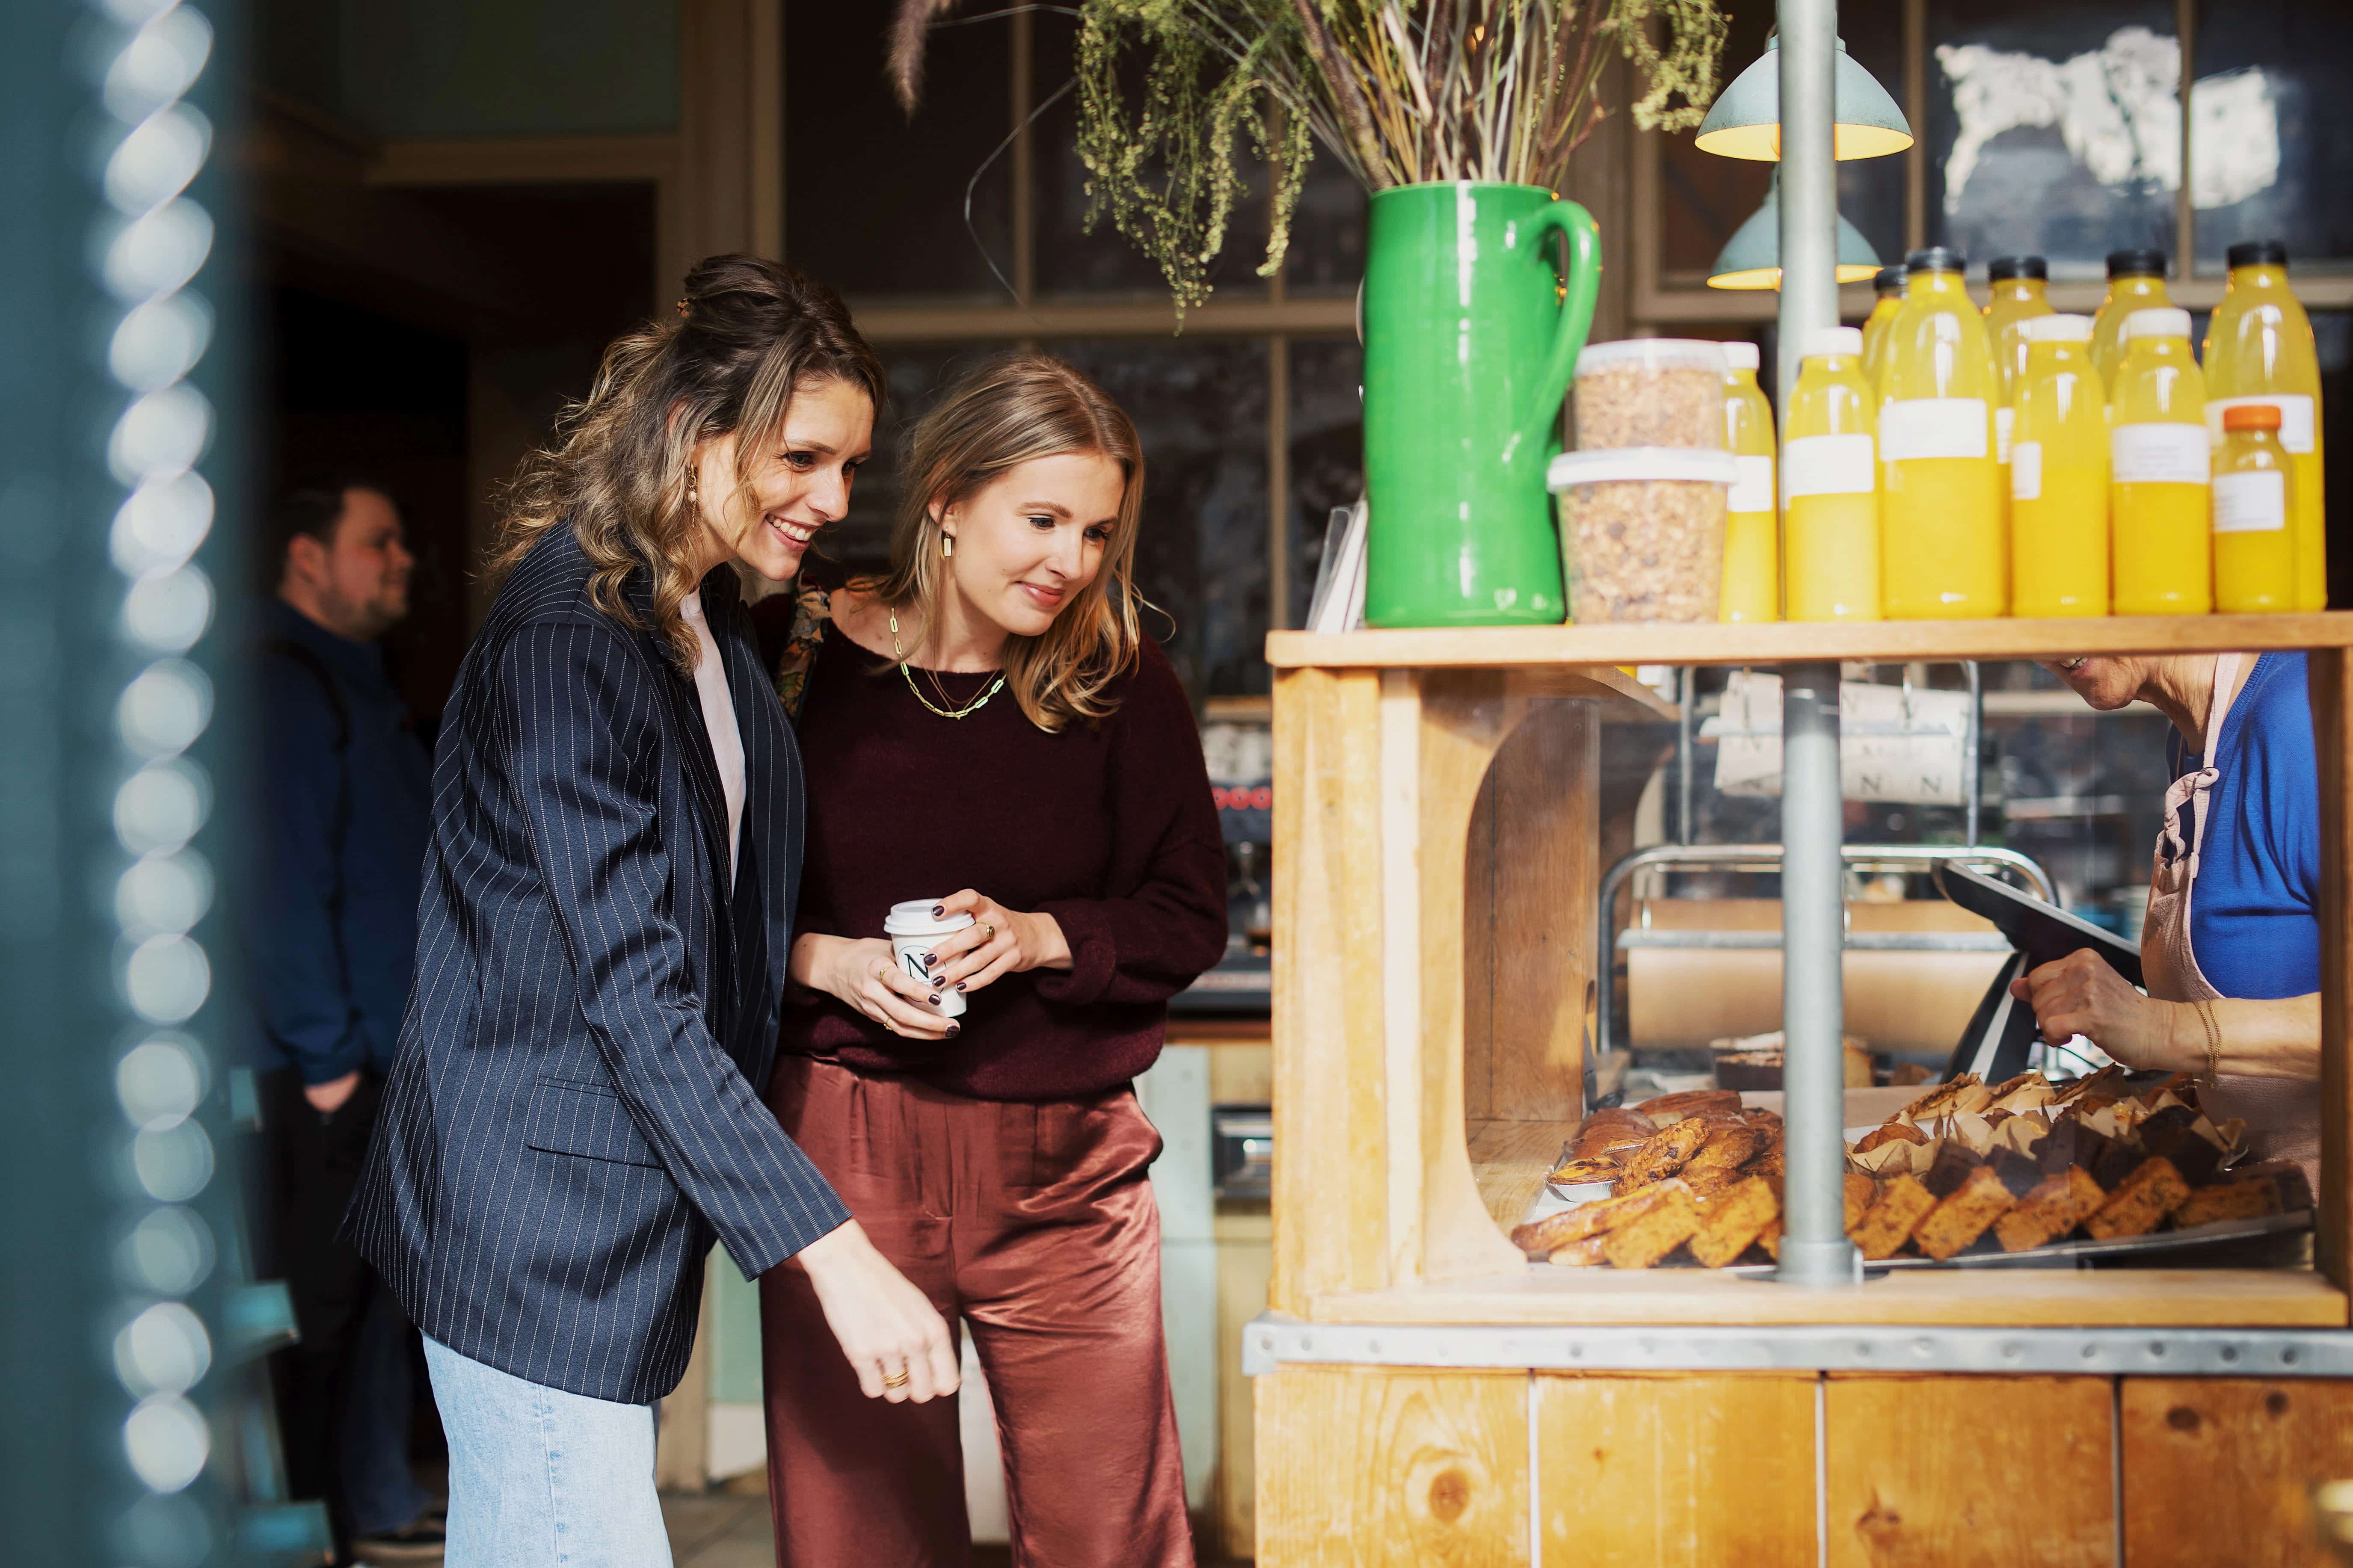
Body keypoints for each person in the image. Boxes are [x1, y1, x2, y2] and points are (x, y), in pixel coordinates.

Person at [343, 256, 959, 1568]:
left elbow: (677, 898)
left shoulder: (700, 611)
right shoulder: (572, 642)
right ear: (691, 431)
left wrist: (818, 959)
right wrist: (834, 1254)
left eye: (850, 465)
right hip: (533, 1222)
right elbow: (631, 991)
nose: (833, 499)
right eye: (801, 457)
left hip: (600, 1212)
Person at [754, 353, 1228, 1567]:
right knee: (857, 1545)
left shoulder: (1120, 679)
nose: (1071, 560)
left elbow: (1188, 913)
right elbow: (694, 899)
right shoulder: (788, 654)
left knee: (1110, 1538)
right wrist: (825, 961)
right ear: (948, 500)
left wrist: (1038, 934)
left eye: (1097, 532)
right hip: (843, 1153)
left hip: (1068, 1171)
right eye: (1043, 519)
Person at [251, 478, 444, 1561]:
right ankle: (313, 1530)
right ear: (307, 557)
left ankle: (369, 1504)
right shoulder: (283, 689)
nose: (402, 559)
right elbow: (277, 889)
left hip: (380, 1061)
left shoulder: (360, 688)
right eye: (379, 541)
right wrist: (327, 1062)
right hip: (323, 1073)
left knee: (375, 1305)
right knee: (315, 1324)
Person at [2012, 651, 2320, 1188]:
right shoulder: (2189, 740)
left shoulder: (2303, 714)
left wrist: (2161, 1028)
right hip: (2265, 1200)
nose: (2051, 647)